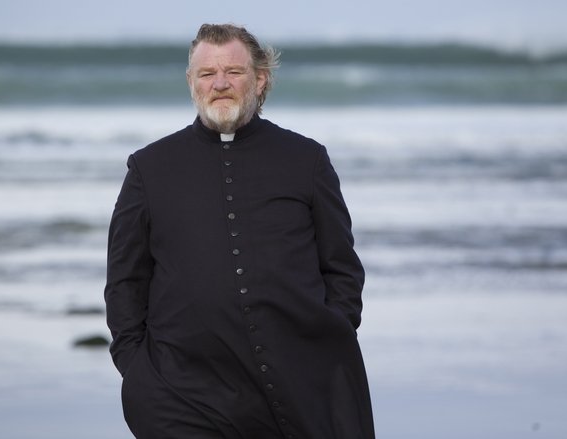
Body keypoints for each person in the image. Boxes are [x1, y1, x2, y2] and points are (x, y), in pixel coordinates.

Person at [104, 23, 375, 439]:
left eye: (233, 71)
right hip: (181, 395)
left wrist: (330, 337)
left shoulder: (306, 160)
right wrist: (136, 370)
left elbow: (341, 268)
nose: (220, 84)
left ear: (260, 79)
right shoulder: (149, 168)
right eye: (207, 74)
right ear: (191, 82)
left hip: (300, 386)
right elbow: (125, 281)